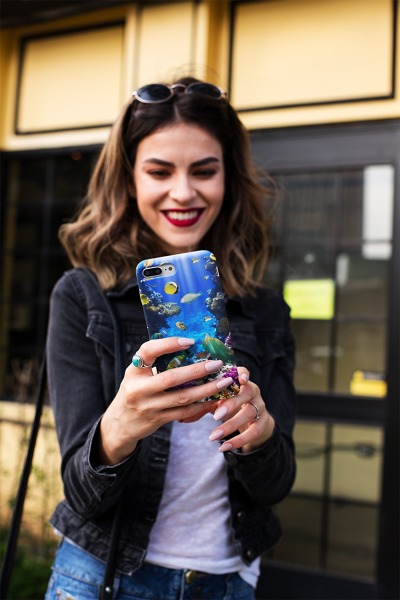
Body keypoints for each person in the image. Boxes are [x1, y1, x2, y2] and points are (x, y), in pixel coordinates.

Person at [45, 76, 297, 600]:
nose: (183, 192)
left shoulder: (267, 309)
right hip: (101, 578)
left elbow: (277, 486)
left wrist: (260, 434)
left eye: (204, 170)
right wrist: (120, 427)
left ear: (229, 178)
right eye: (159, 171)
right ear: (129, 179)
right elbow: (81, 494)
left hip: (227, 582)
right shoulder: (83, 296)